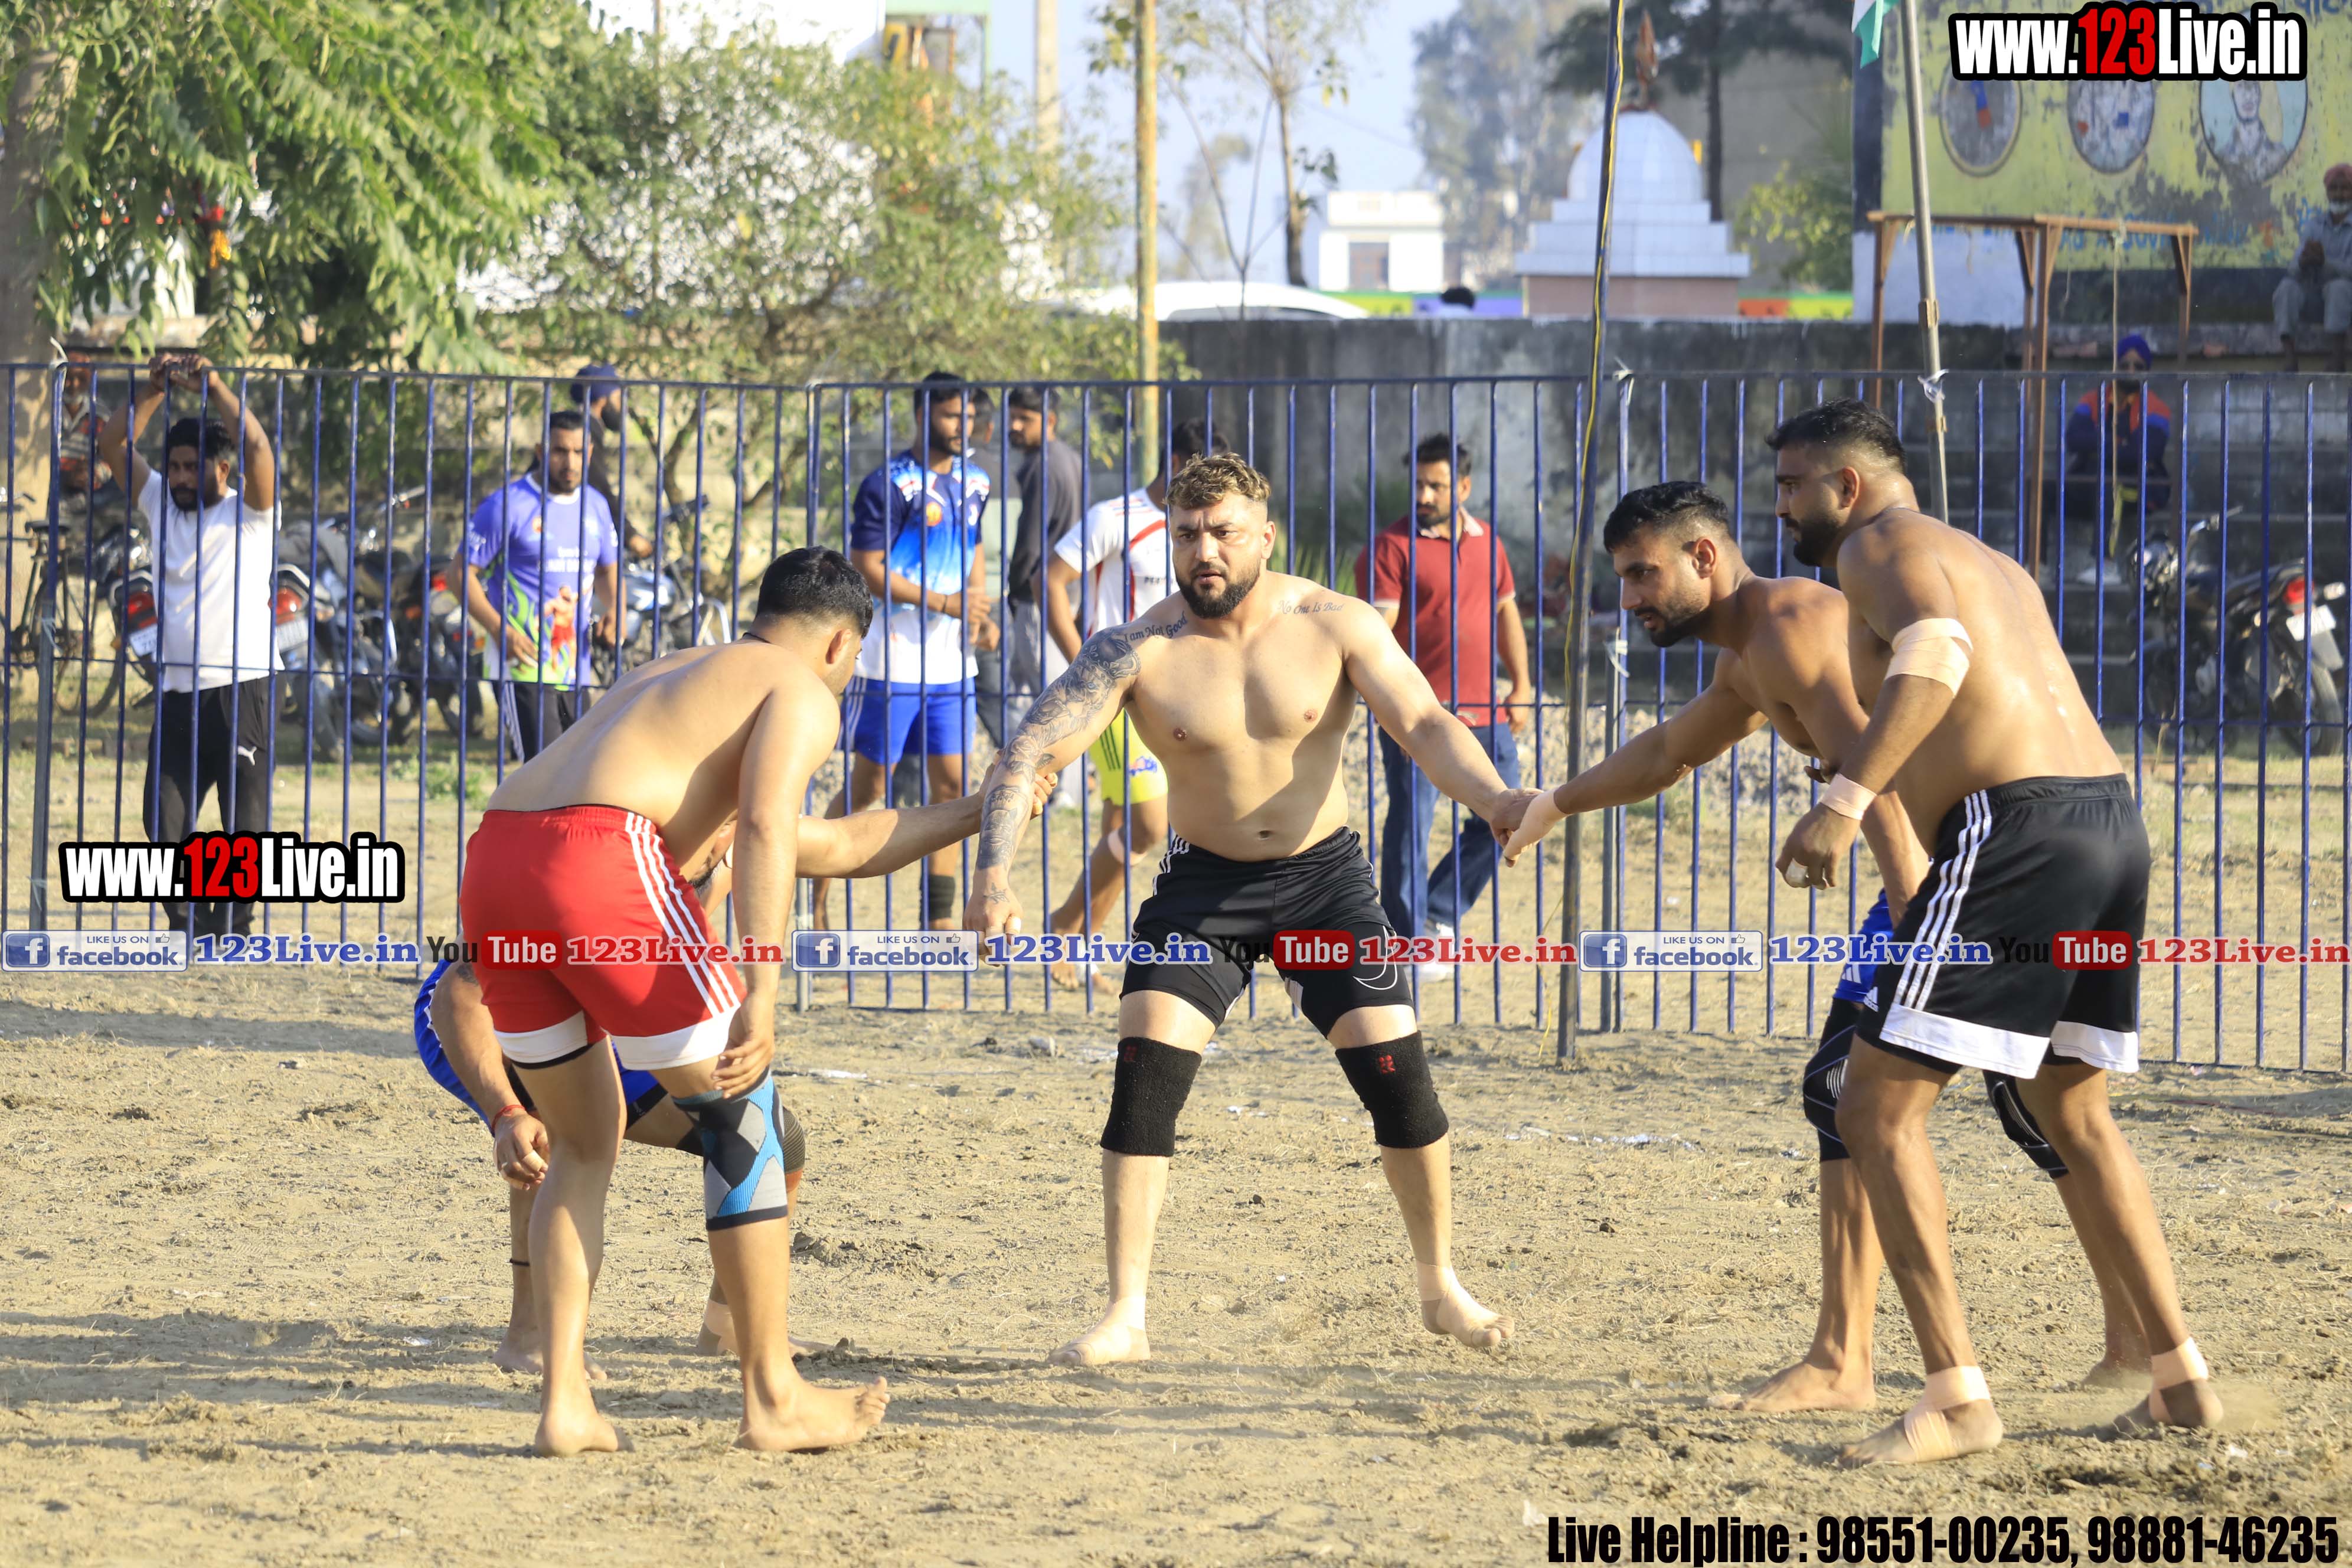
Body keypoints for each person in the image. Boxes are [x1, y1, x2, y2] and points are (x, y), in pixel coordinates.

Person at [1501, 480, 2147, 1415]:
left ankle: (1862, 1363)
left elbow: (1872, 775)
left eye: (1644, 574)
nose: (1630, 596)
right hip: (1975, 866)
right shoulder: (1750, 658)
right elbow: (1668, 753)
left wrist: (1912, 904)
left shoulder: (1793, 627)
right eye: (1624, 578)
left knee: (1902, 1096)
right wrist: (1554, 804)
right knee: (1997, 1102)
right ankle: (2125, 1346)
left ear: (1704, 558)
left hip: (1958, 873)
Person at [965, 453, 1536, 1367]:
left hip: (1325, 884)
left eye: (1224, 532)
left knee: (1397, 1072)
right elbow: (1031, 751)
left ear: (1264, 536)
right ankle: (1126, 1315)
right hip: (1204, 890)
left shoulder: (1333, 622)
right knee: (1145, 1073)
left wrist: (1497, 799)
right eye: (1188, 534)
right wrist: (993, 876)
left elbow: (1426, 723)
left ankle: (1441, 1288)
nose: (1206, 550)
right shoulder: (1136, 648)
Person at [1769, 398, 2216, 1466]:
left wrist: (1842, 800)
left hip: (2016, 832)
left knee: (1869, 1105)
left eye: (1790, 484)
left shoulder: (1876, 545)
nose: (1779, 506)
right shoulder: (1990, 560)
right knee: (2071, 1107)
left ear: (1846, 486)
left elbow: (1937, 652)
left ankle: (1958, 1400)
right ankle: (2179, 1380)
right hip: (2109, 825)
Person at [456, 545, 891, 1456]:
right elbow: (768, 826)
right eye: (852, 662)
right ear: (840, 645)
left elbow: (827, 840)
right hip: (598, 856)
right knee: (744, 1120)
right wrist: (761, 985)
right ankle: (773, 1397)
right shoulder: (802, 691)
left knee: (584, 1140)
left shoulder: (681, 667)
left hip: (498, 853)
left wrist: (980, 809)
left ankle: (566, 1404)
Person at [424, 782, 1044, 1373]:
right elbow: (458, 996)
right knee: (558, 1132)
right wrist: (505, 1112)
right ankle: (528, 1337)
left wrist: (988, 806)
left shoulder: (736, 831)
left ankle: (729, 1329)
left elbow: (849, 843)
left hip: (610, 1006)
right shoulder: (618, 835)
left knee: (773, 1137)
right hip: (482, 1018)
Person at [1038, 417, 1231, 991]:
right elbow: (1051, 581)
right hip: (1118, 694)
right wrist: (1088, 667)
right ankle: (1064, 924)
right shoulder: (1115, 517)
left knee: (1121, 829)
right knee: (1148, 827)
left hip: (1175, 696)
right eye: (1202, 474)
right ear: (1174, 464)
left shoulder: (1201, 530)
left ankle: (1081, 949)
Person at [94, 352, 280, 937]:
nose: (177, 477)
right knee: (164, 819)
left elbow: (259, 449)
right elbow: (113, 446)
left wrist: (216, 387)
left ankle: (235, 925)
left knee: (244, 825)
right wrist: (153, 390)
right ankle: (190, 922)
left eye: (190, 467)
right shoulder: (159, 504)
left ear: (221, 471)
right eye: (173, 466)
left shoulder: (250, 515)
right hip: (177, 690)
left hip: (242, 689)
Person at [812, 371, 993, 933]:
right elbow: (866, 566)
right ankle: (814, 897)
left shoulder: (977, 481)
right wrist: (946, 602)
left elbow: (974, 547)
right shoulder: (889, 483)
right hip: (891, 661)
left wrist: (978, 612)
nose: (962, 427)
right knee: (869, 786)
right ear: (922, 416)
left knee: (952, 789)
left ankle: (938, 918)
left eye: (968, 417)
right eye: (951, 416)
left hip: (951, 665)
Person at [1353, 436, 1535, 984]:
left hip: (1486, 712)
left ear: (1464, 487)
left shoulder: (1489, 543)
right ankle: (1406, 940)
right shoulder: (1390, 547)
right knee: (1412, 822)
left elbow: (1506, 613)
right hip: (1418, 716)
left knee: (1511, 814)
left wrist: (1522, 684)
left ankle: (1437, 912)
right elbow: (1375, 631)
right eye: (1418, 484)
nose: (1424, 495)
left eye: (1436, 485)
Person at [463, 409, 622, 762]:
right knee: (542, 772)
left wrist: (615, 611)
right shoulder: (507, 505)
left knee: (578, 772)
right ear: (540, 451)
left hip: (576, 669)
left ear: (590, 453)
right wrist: (499, 629)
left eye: (578, 452)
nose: (570, 462)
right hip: (523, 665)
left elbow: (607, 571)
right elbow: (460, 575)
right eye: (560, 451)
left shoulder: (596, 506)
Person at [980, 385, 1083, 753]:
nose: (1015, 426)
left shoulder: (1043, 465)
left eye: (1025, 419)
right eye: (1011, 417)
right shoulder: (1070, 458)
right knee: (1025, 696)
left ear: (1050, 420)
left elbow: (1030, 543)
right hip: (1063, 592)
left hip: (1038, 596)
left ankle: (1061, 778)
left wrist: (1013, 591)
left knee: (1050, 700)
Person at [2062, 334, 2173, 549]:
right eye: (2124, 365)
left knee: (2110, 487)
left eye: (2138, 366)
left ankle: (2104, 561)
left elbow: (2142, 453)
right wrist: (2119, 444)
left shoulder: (2156, 408)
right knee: (2040, 490)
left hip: (2140, 486)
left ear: (2147, 371)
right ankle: (2031, 563)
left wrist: (2097, 444)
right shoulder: (2093, 399)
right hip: (2089, 480)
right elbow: (2073, 438)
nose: (2130, 371)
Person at [567, 364, 654, 561]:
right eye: (617, 398)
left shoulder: (582, 425)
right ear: (602, 399)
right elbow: (599, 489)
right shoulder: (586, 430)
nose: (623, 406)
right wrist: (630, 536)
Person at [2276, 163, 2352, 374]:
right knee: (2286, 288)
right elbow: (2293, 268)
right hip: (2315, 295)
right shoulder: (2314, 225)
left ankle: (2337, 360)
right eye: (2334, 189)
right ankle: (2290, 360)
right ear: (2327, 193)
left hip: (2346, 299)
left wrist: (2324, 262)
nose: (2339, 194)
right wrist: (2303, 261)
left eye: (2345, 188)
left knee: (2339, 288)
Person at [53, 343, 120, 528]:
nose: (74, 385)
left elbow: (110, 458)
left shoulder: (101, 416)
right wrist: (65, 475)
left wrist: (92, 472)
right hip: (50, 482)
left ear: (89, 382)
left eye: (81, 379)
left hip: (84, 490)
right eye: (68, 378)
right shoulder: (47, 411)